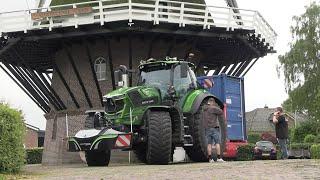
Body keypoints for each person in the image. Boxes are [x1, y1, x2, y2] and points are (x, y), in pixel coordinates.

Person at [203, 98, 225, 163]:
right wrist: (214, 106)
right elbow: (221, 111)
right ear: (212, 102)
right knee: (217, 143)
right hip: (214, 128)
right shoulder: (213, 108)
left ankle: (210, 159)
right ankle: (219, 158)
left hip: (207, 129)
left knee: (209, 144)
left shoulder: (204, 110)